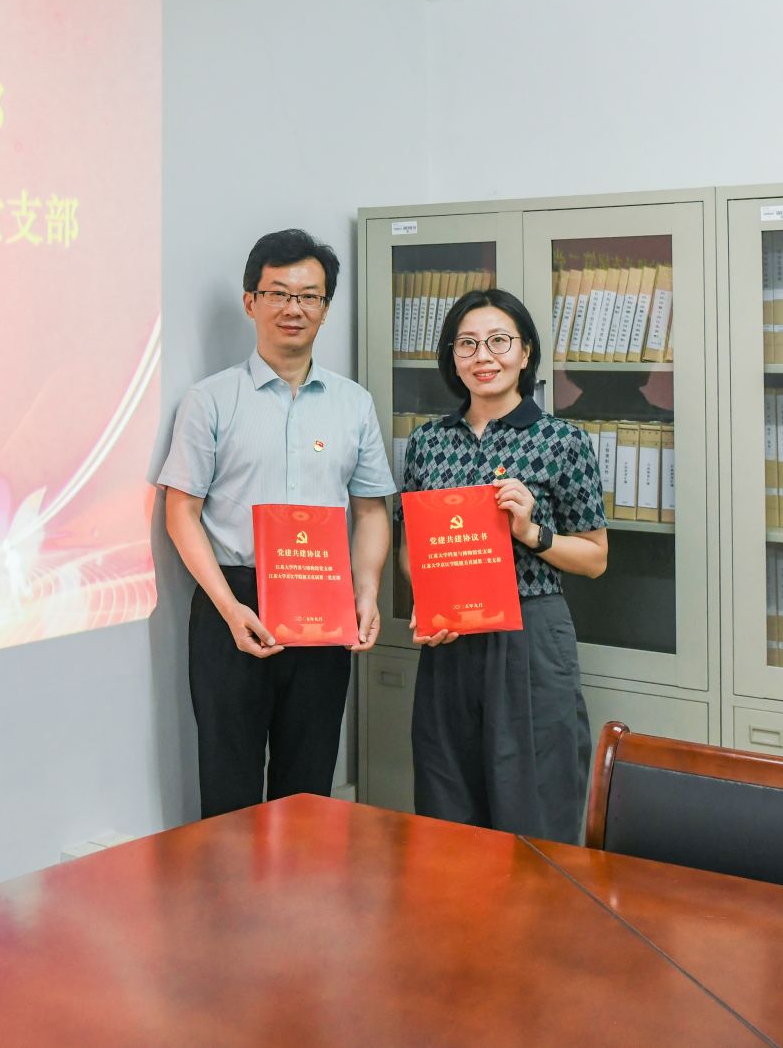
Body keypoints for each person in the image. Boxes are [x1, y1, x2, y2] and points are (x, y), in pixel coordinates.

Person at [158, 229, 394, 818]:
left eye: (309, 296)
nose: (294, 308)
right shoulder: (210, 400)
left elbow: (370, 509)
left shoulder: (353, 404)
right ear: (251, 301)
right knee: (229, 781)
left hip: (324, 600)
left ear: (325, 308)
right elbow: (181, 512)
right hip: (234, 598)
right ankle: (229, 884)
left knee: (308, 784)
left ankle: (303, 884)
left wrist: (366, 591)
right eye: (279, 293)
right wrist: (227, 607)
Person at [400, 287, 608, 843]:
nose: (483, 356)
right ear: (452, 357)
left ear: (525, 351)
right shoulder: (426, 443)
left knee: (534, 802)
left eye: (498, 341)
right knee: (447, 805)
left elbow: (595, 558)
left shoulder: (562, 441)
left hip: (529, 632)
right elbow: (410, 547)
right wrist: (427, 600)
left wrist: (532, 533)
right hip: (450, 638)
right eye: (467, 344)